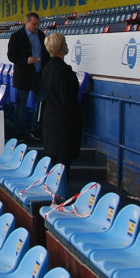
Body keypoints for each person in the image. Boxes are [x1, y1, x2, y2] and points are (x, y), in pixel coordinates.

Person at [41, 32, 84, 180]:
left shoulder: (46, 68)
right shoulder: (65, 71)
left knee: (53, 163)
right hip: (63, 123)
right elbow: (69, 100)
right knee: (64, 164)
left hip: (51, 117)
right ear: (62, 47)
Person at [7, 12, 48, 139]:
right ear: (27, 23)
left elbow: (46, 54)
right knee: (21, 105)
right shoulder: (16, 36)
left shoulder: (41, 35)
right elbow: (11, 56)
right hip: (23, 75)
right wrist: (26, 60)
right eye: (34, 24)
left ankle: (36, 129)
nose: (37, 26)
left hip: (38, 74)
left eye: (38, 24)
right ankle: (19, 132)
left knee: (41, 101)